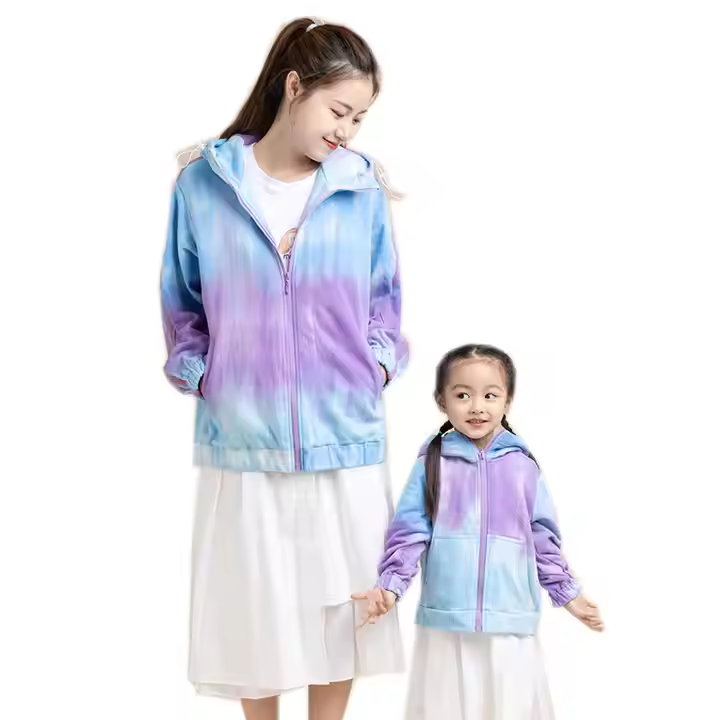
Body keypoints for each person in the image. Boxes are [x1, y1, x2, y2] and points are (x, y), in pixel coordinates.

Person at [160, 16, 408, 720]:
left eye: (359, 118)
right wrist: (203, 374)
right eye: (339, 111)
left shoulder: (360, 187)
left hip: (343, 433)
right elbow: (182, 301)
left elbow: (385, 301)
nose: (348, 130)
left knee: (341, 611)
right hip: (244, 437)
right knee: (253, 614)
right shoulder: (204, 183)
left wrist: (375, 366)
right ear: (294, 87)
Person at [353, 344, 603, 719]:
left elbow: (543, 540)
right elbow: (409, 532)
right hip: (447, 623)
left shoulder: (523, 467)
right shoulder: (432, 463)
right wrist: (390, 587)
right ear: (442, 400)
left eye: (490, 395)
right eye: (462, 395)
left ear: (508, 400)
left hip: (509, 620)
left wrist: (569, 595)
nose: (476, 407)